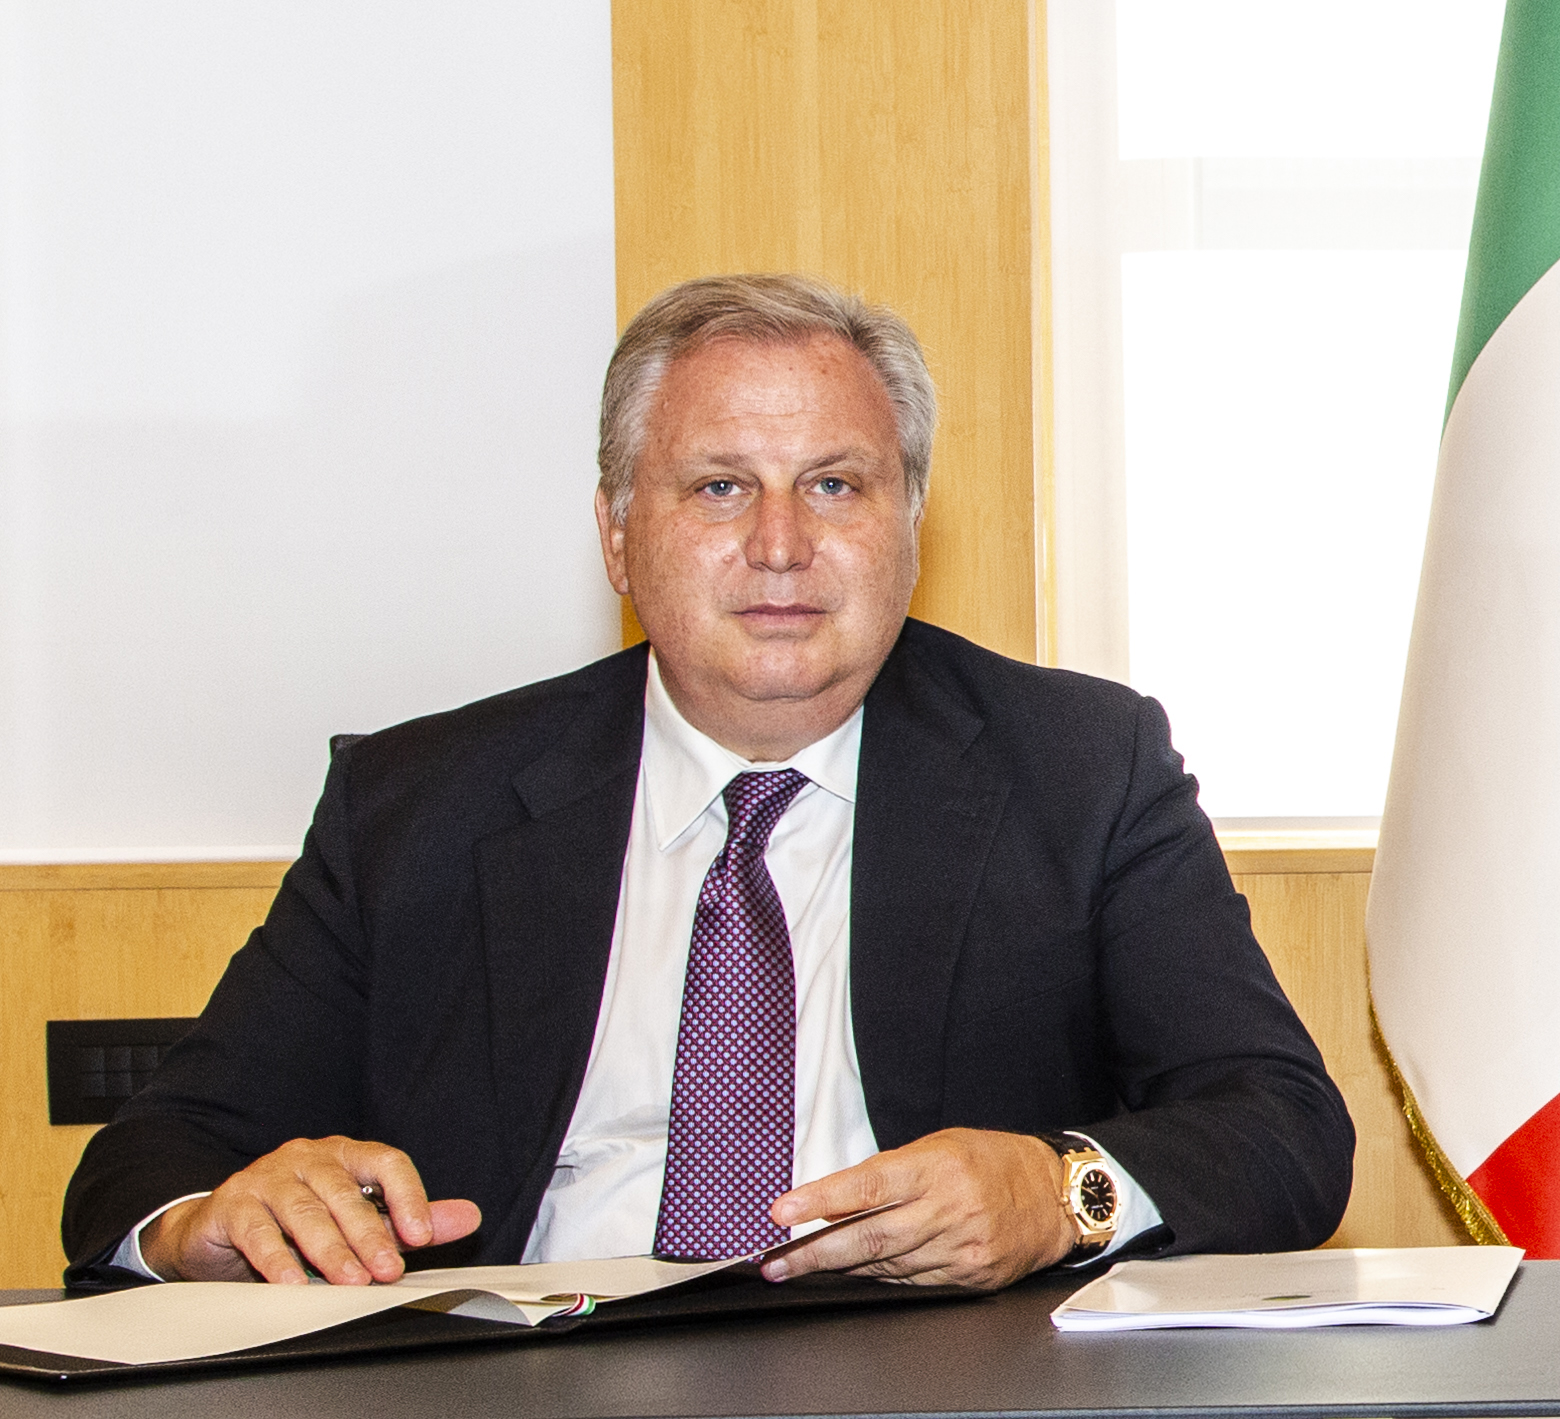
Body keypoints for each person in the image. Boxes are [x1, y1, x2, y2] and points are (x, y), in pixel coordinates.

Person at [62, 274, 1353, 1291]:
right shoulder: (417, 807)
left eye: (835, 485)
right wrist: (209, 1222)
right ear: (619, 534)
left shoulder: (1082, 769)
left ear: (911, 528)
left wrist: (1057, 1192)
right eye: (720, 487)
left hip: (924, 1387)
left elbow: (1284, 1125)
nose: (781, 545)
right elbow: (148, 1165)